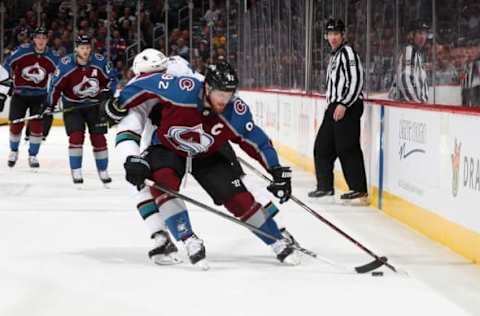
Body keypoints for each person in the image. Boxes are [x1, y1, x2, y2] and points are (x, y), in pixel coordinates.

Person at [108, 60, 301, 266]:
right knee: (162, 181)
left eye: (229, 94)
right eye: (220, 94)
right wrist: (119, 103)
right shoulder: (182, 90)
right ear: (207, 87)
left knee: (238, 198)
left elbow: (257, 141)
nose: (224, 101)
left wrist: (276, 170)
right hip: (167, 148)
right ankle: (188, 239)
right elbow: (143, 84)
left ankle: (276, 240)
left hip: (208, 154)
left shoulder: (234, 110)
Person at [308, 18, 368, 205]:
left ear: (343, 35)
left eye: (336, 34)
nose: (333, 37)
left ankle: (359, 190)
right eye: (330, 34)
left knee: (347, 148)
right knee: (322, 147)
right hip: (334, 106)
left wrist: (344, 103)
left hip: (347, 106)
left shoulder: (348, 52)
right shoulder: (335, 55)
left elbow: (357, 80)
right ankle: (325, 186)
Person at [47, 35, 117, 185]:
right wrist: (49, 105)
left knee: (99, 139)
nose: (85, 51)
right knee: (76, 137)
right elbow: (56, 87)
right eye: (82, 48)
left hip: (94, 106)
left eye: (87, 47)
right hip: (72, 106)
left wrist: (107, 93)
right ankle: (76, 171)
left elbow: (112, 79)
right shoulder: (65, 65)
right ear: (76, 49)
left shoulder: (100, 62)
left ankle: (103, 171)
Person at [3, 27, 60, 168]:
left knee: (37, 128)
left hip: (39, 96)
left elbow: (61, 75)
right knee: (15, 125)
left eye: (43, 38)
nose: (40, 41)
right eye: (38, 38)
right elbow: (6, 67)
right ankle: (13, 151)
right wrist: (7, 83)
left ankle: (33, 155)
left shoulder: (52, 56)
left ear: (47, 40)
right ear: (34, 39)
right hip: (19, 95)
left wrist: (56, 95)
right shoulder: (22, 51)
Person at [390, 20, 430, 103]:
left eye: (425, 33)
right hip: (405, 109)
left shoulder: (417, 54)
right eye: (419, 33)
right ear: (411, 35)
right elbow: (404, 77)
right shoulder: (409, 51)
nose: (423, 37)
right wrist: (416, 103)